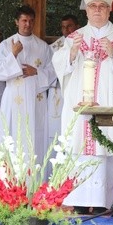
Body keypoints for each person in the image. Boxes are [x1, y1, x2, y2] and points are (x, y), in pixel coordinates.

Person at [53, 0, 113, 213]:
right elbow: (58, 65)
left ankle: (104, 205)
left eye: (102, 6)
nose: (97, 10)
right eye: (93, 6)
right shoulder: (74, 37)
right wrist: (71, 53)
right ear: (86, 10)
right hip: (80, 110)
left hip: (106, 109)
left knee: (105, 154)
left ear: (110, 10)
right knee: (79, 151)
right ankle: (80, 205)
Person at [0, 5, 56, 162]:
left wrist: (37, 72)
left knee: (35, 138)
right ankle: (11, 184)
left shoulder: (43, 47)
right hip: (14, 98)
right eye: (24, 20)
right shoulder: (7, 44)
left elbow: (54, 71)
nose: (28, 24)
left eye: (31, 21)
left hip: (36, 99)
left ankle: (35, 182)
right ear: (16, 22)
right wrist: (13, 54)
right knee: (12, 136)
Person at [48, 14, 79, 156]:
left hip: (76, 92)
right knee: (56, 130)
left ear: (77, 26)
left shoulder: (82, 41)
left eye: (70, 26)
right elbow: (49, 70)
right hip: (57, 91)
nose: (66, 30)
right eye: (63, 27)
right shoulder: (56, 47)